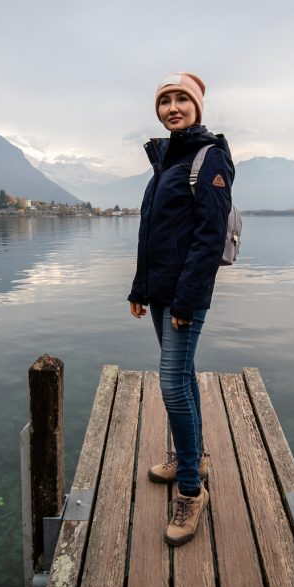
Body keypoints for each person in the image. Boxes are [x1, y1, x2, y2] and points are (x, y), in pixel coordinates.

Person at [128, 72, 235, 546]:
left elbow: (209, 237)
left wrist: (186, 302)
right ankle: (190, 457)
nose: (172, 107)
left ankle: (191, 489)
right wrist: (139, 288)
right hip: (161, 291)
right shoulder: (166, 160)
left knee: (172, 384)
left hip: (185, 296)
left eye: (181, 100)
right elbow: (153, 232)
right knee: (183, 376)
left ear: (197, 107)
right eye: (165, 100)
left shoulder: (210, 157)